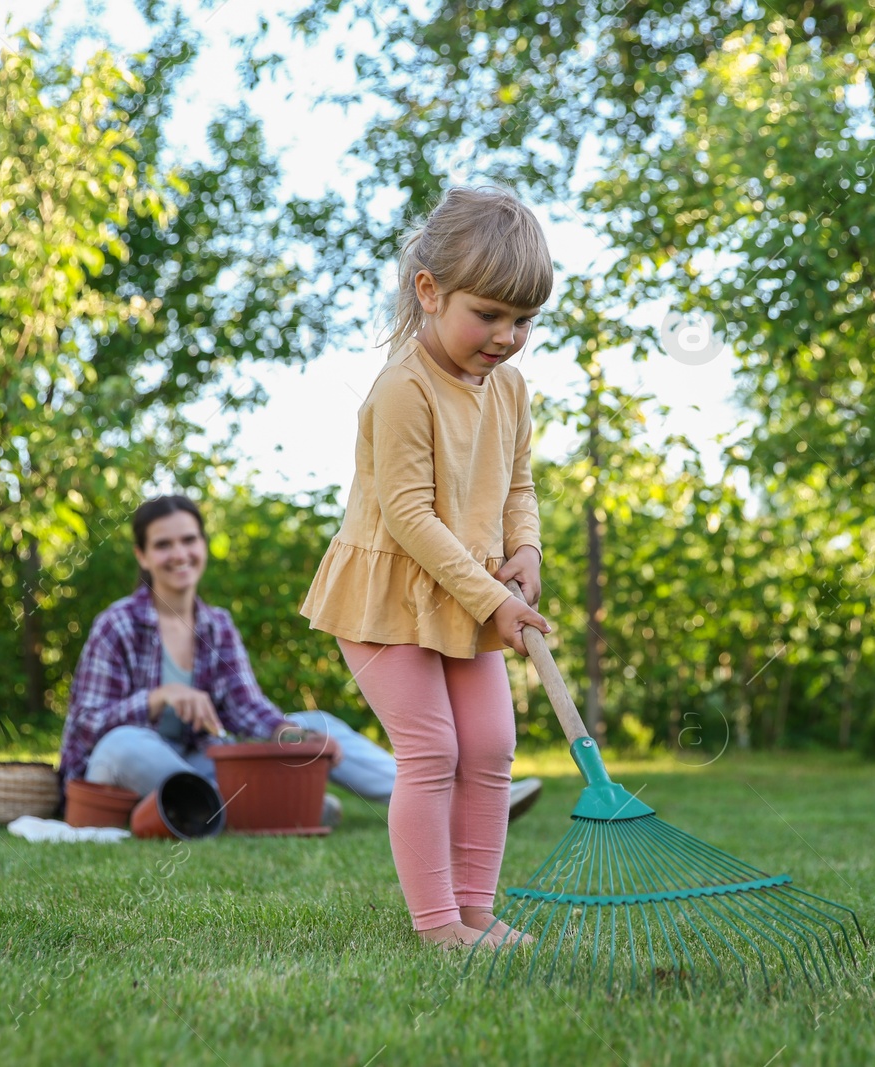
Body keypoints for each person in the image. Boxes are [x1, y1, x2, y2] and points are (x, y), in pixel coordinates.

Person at [301, 185, 554, 949]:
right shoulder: (403, 388)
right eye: (490, 314)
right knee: (434, 749)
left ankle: (477, 911)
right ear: (429, 290)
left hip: (468, 596)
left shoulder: (508, 387)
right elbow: (409, 517)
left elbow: (519, 484)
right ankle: (439, 925)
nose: (507, 337)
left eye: (523, 320)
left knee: (489, 746)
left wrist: (527, 549)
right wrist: (494, 601)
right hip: (387, 595)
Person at [56, 495, 544, 826]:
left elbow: (250, 711)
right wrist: (157, 699)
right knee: (127, 744)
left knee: (318, 724)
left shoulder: (216, 625)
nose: (178, 554)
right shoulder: (117, 625)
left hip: (197, 765)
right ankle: (274, 809)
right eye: (163, 544)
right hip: (117, 768)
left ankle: (455, 803)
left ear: (203, 546)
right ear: (143, 556)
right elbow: (87, 727)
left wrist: (298, 740)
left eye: (188, 540)